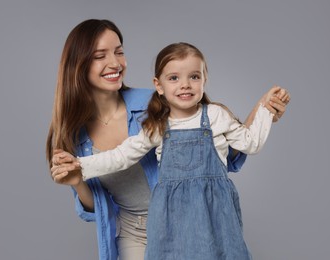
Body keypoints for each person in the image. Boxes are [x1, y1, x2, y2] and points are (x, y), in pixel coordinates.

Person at [46, 20, 280, 260]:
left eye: (119, 52)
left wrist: (262, 113)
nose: (115, 63)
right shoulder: (76, 133)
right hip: (134, 231)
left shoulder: (160, 106)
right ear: (78, 65)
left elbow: (228, 149)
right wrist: (78, 172)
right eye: (100, 55)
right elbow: (104, 188)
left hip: (197, 219)